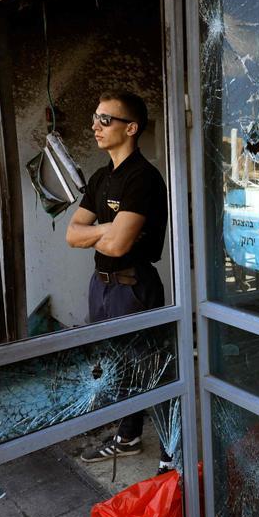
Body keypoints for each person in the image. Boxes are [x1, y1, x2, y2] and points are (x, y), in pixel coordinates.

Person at [66, 89, 172, 471]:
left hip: (133, 284)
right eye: (95, 118)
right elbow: (72, 234)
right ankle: (127, 436)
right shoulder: (100, 178)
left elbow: (119, 244)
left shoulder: (142, 177)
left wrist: (101, 230)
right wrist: (107, 228)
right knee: (115, 366)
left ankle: (170, 453)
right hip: (102, 285)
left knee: (150, 368)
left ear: (131, 128)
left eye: (105, 119)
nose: (95, 126)